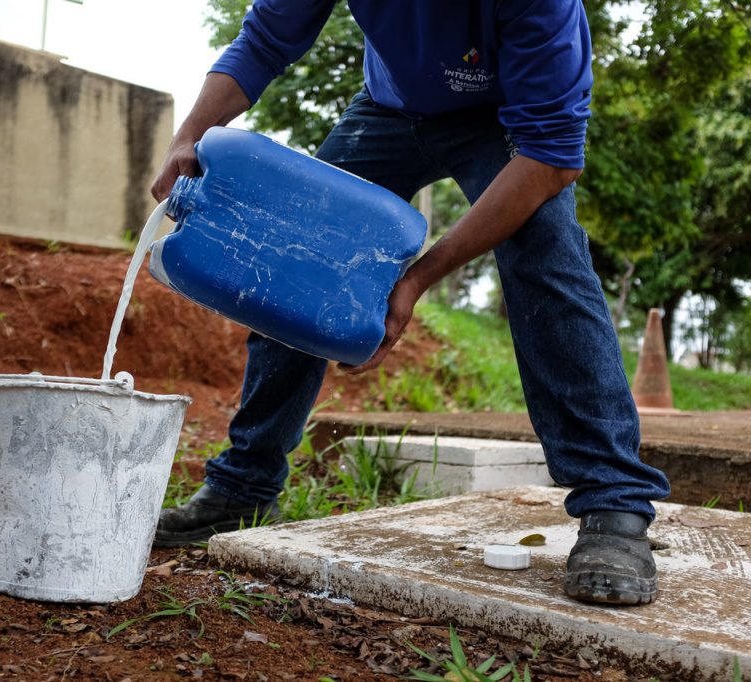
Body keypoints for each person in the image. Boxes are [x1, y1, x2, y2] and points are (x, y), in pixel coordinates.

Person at [149, 0, 670, 606]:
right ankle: (245, 484)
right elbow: (266, 39)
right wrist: (188, 134)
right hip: (390, 108)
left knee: (546, 256)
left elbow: (550, 158)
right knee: (301, 255)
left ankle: (614, 505)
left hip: (502, 120)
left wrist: (418, 279)